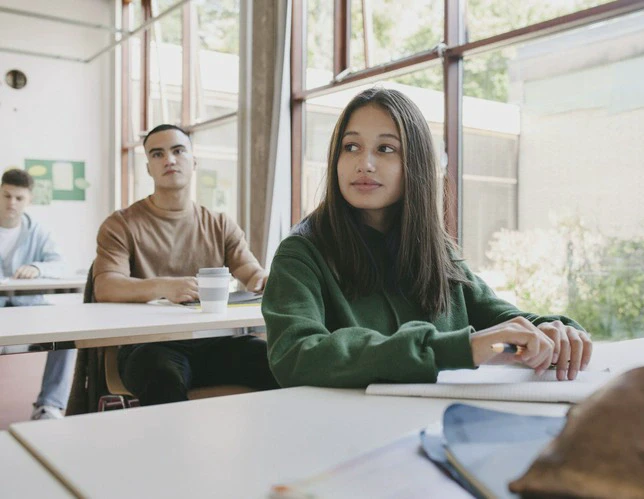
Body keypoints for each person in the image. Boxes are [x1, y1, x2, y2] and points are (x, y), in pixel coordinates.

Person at [262, 88, 592, 388]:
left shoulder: (437, 250)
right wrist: (459, 349)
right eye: (351, 147)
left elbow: (499, 322)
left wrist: (551, 331)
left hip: (442, 424)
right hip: (345, 435)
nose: (364, 163)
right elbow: (295, 356)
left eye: (385, 149)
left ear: (415, 164)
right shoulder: (301, 254)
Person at [93, 124, 278, 405]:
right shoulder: (121, 224)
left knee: (279, 364)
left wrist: (263, 279)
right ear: (148, 169)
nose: (169, 159)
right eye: (158, 154)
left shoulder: (219, 224)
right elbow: (106, 285)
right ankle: (171, 450)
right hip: (150, 345)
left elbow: (251, 272)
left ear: (193, 161)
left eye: (178, 151)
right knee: (163, 380)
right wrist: (165, 286)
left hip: (216, 342)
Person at [0, 168, 75, 420]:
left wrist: (37, 267)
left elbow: (61, 265)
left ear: (29, 199)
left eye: (19, 198)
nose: (12, 203)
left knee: (67, 333)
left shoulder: (39, 232)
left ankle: (49, 404)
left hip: (29, 307)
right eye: (6, 195)